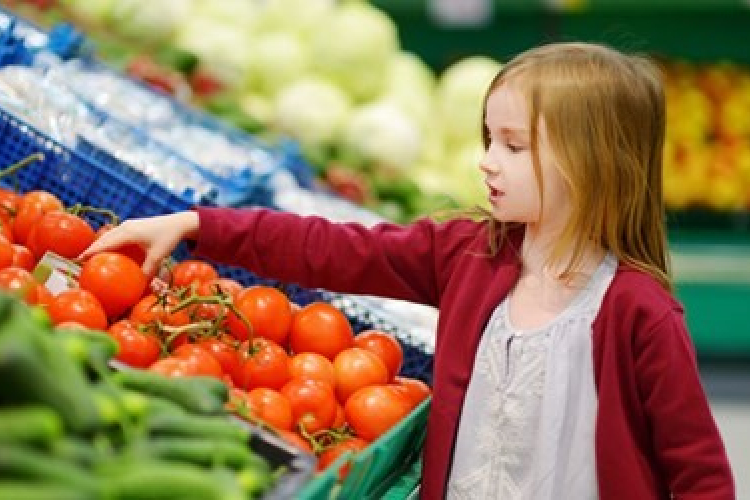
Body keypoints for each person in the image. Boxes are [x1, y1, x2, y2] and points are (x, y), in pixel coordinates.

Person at [81, 42, 735, 499]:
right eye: (486, 138)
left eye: (512, 145)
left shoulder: (636, 310)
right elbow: (333, 248)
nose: (486, 161)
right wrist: (202, 225)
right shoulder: (467, 255)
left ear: (595, 162)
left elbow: (699, 470)